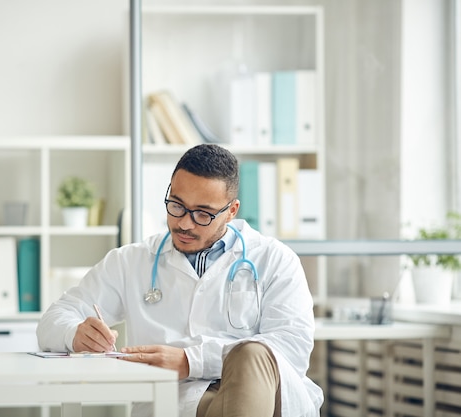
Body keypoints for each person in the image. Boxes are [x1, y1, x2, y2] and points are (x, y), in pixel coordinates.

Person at [37, 144, 323, 417]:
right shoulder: (131, 261)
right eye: (176, 205)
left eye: (202, 214)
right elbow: (52, 320)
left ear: (232, 211)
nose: (184, 223)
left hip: (265, 397)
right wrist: (74, 333)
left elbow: (291, 348)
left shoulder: (275, 260)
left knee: (252, 355)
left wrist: (191, 362)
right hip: (177, 403)